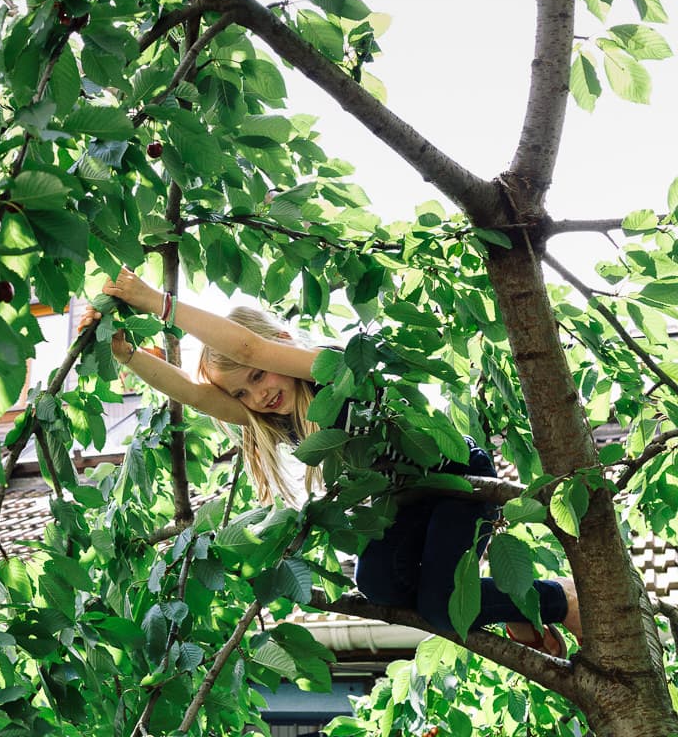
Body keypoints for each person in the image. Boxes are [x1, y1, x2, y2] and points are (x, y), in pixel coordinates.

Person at [80, 266, 582, 657]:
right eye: (242, 392)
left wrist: (156, 302)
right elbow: (196, 395)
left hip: (456, 480)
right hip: (401, 503)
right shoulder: (280, 419)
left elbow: (247, 344)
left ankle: (561, 601)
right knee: (379, 584)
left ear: (278, 349)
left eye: (259, 376)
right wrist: (125, 354)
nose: (258, 395)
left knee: (441, 607)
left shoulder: (332, 366)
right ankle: (516, 606)